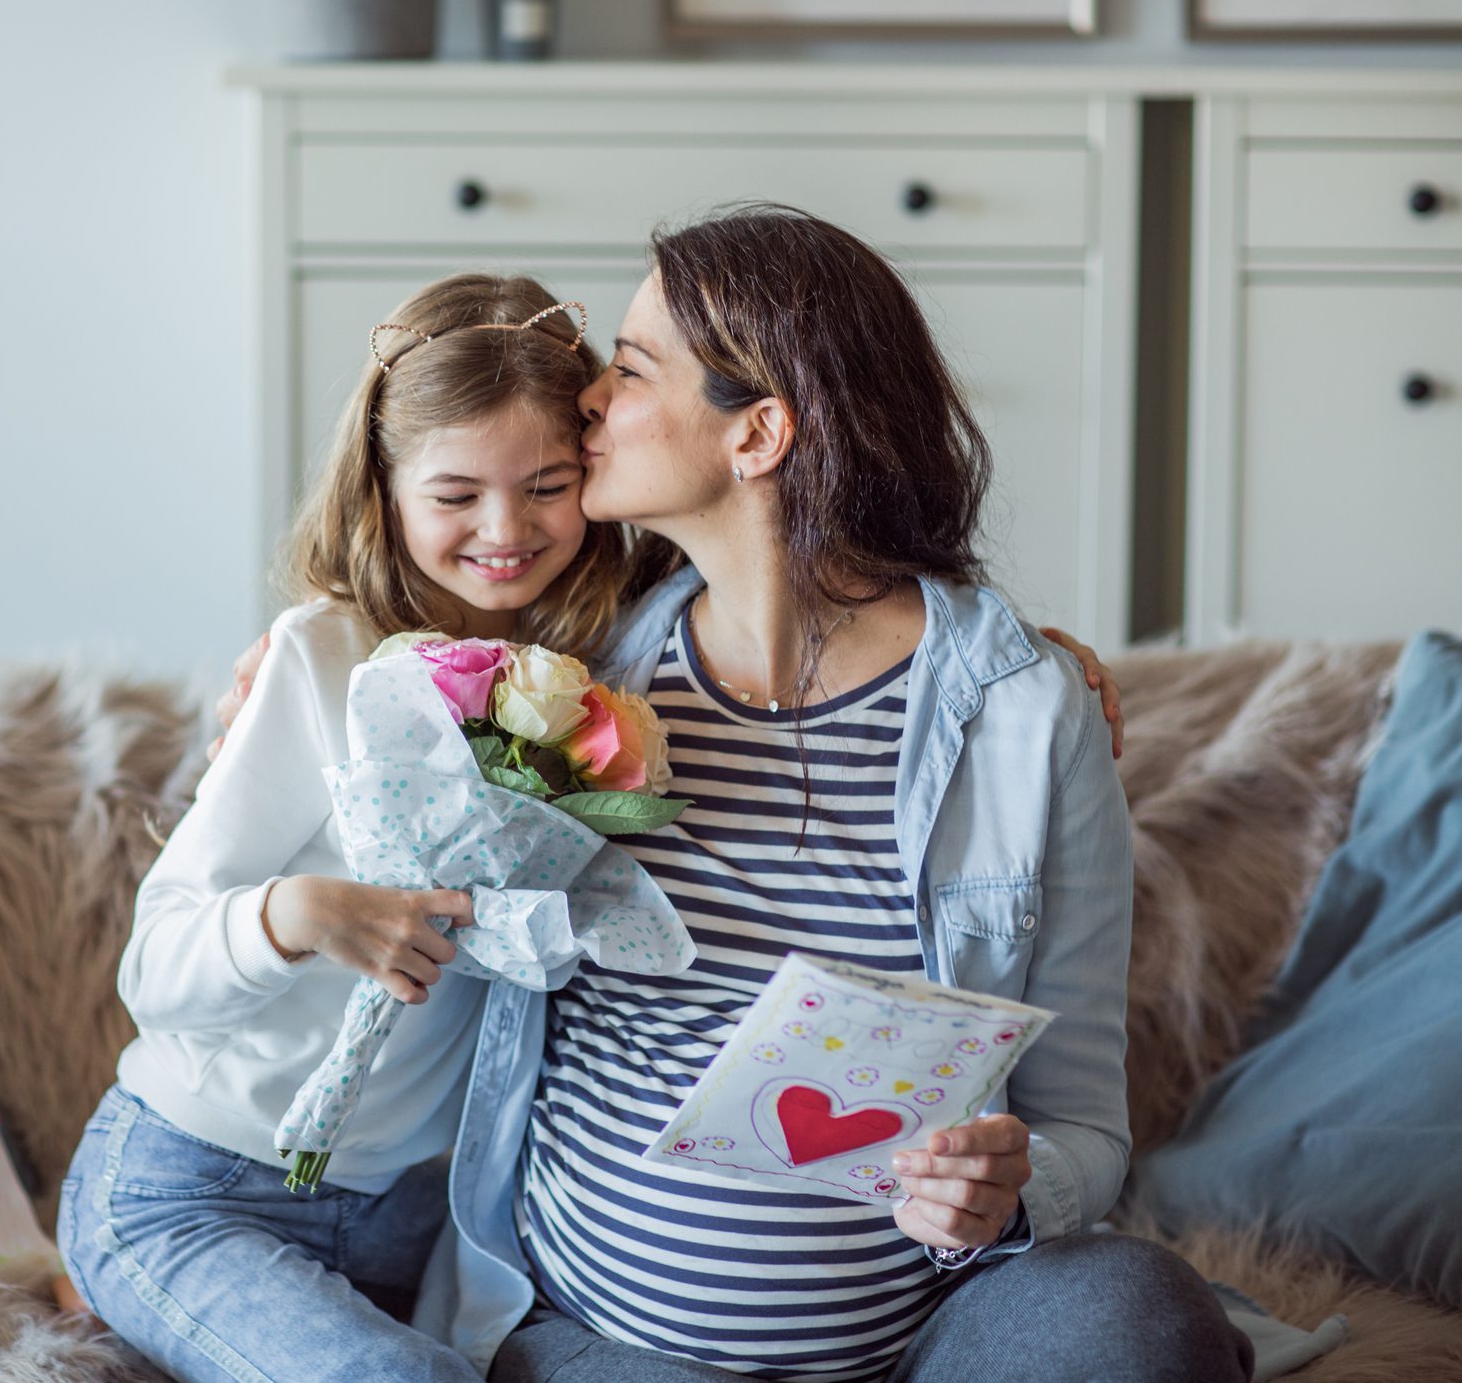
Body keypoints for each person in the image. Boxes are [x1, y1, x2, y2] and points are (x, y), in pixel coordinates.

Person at [210, 204, 1246, 1383]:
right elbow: (383, 643)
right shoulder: (560, 670)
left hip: (931, 1339)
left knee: (1140, 1312)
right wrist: (284, 670)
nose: (590, 398)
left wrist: (1013, 1192)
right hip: (601, 1335)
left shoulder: (1025, 712)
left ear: (757, 433)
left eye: (634, 368)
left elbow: (1086, 1126)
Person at [57, 273, 639, 1383]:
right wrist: (300, 913)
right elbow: (157, 965)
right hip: (195, 1184)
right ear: (384, 486)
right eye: (456, 492)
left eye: (548, 485)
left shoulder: (605, 681)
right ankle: (114, 1272)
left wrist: (1044, 653)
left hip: (419, 1220)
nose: (505, 530)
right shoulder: (322, 659)